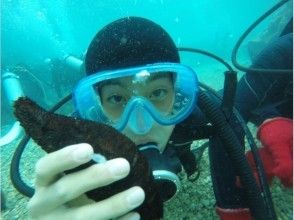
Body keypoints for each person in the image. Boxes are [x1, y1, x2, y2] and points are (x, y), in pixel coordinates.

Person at [26, 16, 283, 220]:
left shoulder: (203, 112)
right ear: (98, 105)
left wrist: (234, 209)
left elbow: (231, 122)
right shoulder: (84, 136)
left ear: (177, 92)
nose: (141, 125)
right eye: (116, 98)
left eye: (158, 92)